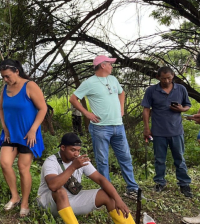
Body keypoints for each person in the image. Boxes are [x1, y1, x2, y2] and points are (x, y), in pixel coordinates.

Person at [69, 55, 140, 199]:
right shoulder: (89, 83)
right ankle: (108, 192)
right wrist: (86, 113)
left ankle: (132, 189)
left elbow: (122, 93)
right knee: (103, 161)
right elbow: (73, 98)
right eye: (110, 64)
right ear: (102, 65)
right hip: (100, 128)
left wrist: (121, 109)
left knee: (125, 157)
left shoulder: (112, 79)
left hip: (118, 126)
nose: (112, 66)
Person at [36, 133, 135, 224]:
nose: (76, 154)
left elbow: (101, 179)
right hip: (49, 203)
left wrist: (118, 200)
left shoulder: (79, 159)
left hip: (71, 200)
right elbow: (53, 186)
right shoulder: (51, 162)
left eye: (78, 150)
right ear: (63, 147)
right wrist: (73, 167)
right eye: (73, 150)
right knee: (60, 191)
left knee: (107, 194)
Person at [0, 59, 47, 217]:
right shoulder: (5, 88)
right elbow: (0, 109)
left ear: (16, 71)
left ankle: (24, 203)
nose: (5, 79)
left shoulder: (30, 86)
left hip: (27, 134)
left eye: (7, 76)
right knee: (5, 163)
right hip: (10, 133)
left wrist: (33, 129)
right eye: (3, 77)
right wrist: (4, 127)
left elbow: (43, 108)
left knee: (23, 168)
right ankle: (15, 196)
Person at [141, 66, 192, 197]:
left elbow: (188, 105)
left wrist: (181, 109)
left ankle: (184, 184)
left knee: (179, 158)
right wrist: (146, 128)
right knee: (159, 159)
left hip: (176, 130)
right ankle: (159, 182)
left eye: (169, 78)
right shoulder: (151, 90)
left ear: (173, 76)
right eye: (163, 79)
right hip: (158, 131)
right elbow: (146, 109)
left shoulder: (181, 89)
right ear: (158, 78)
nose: (166, 81)